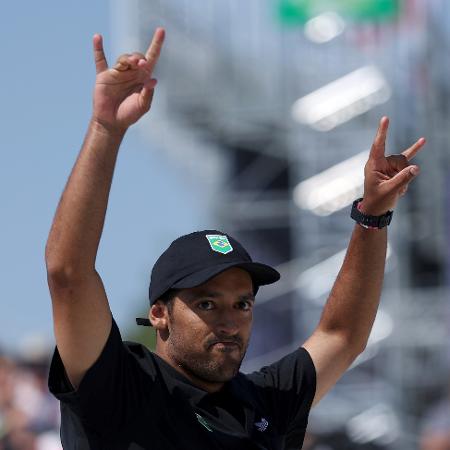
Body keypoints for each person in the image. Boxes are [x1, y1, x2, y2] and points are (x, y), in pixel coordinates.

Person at [45, 27, 426, 450]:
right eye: (206, 303)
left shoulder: (263, 402)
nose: (229, 320)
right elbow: (68, 274)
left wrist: (371, 217)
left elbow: (342, 336)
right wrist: (105, 129)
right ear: (159, 314)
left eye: (242, 303)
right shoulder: (122, 387)